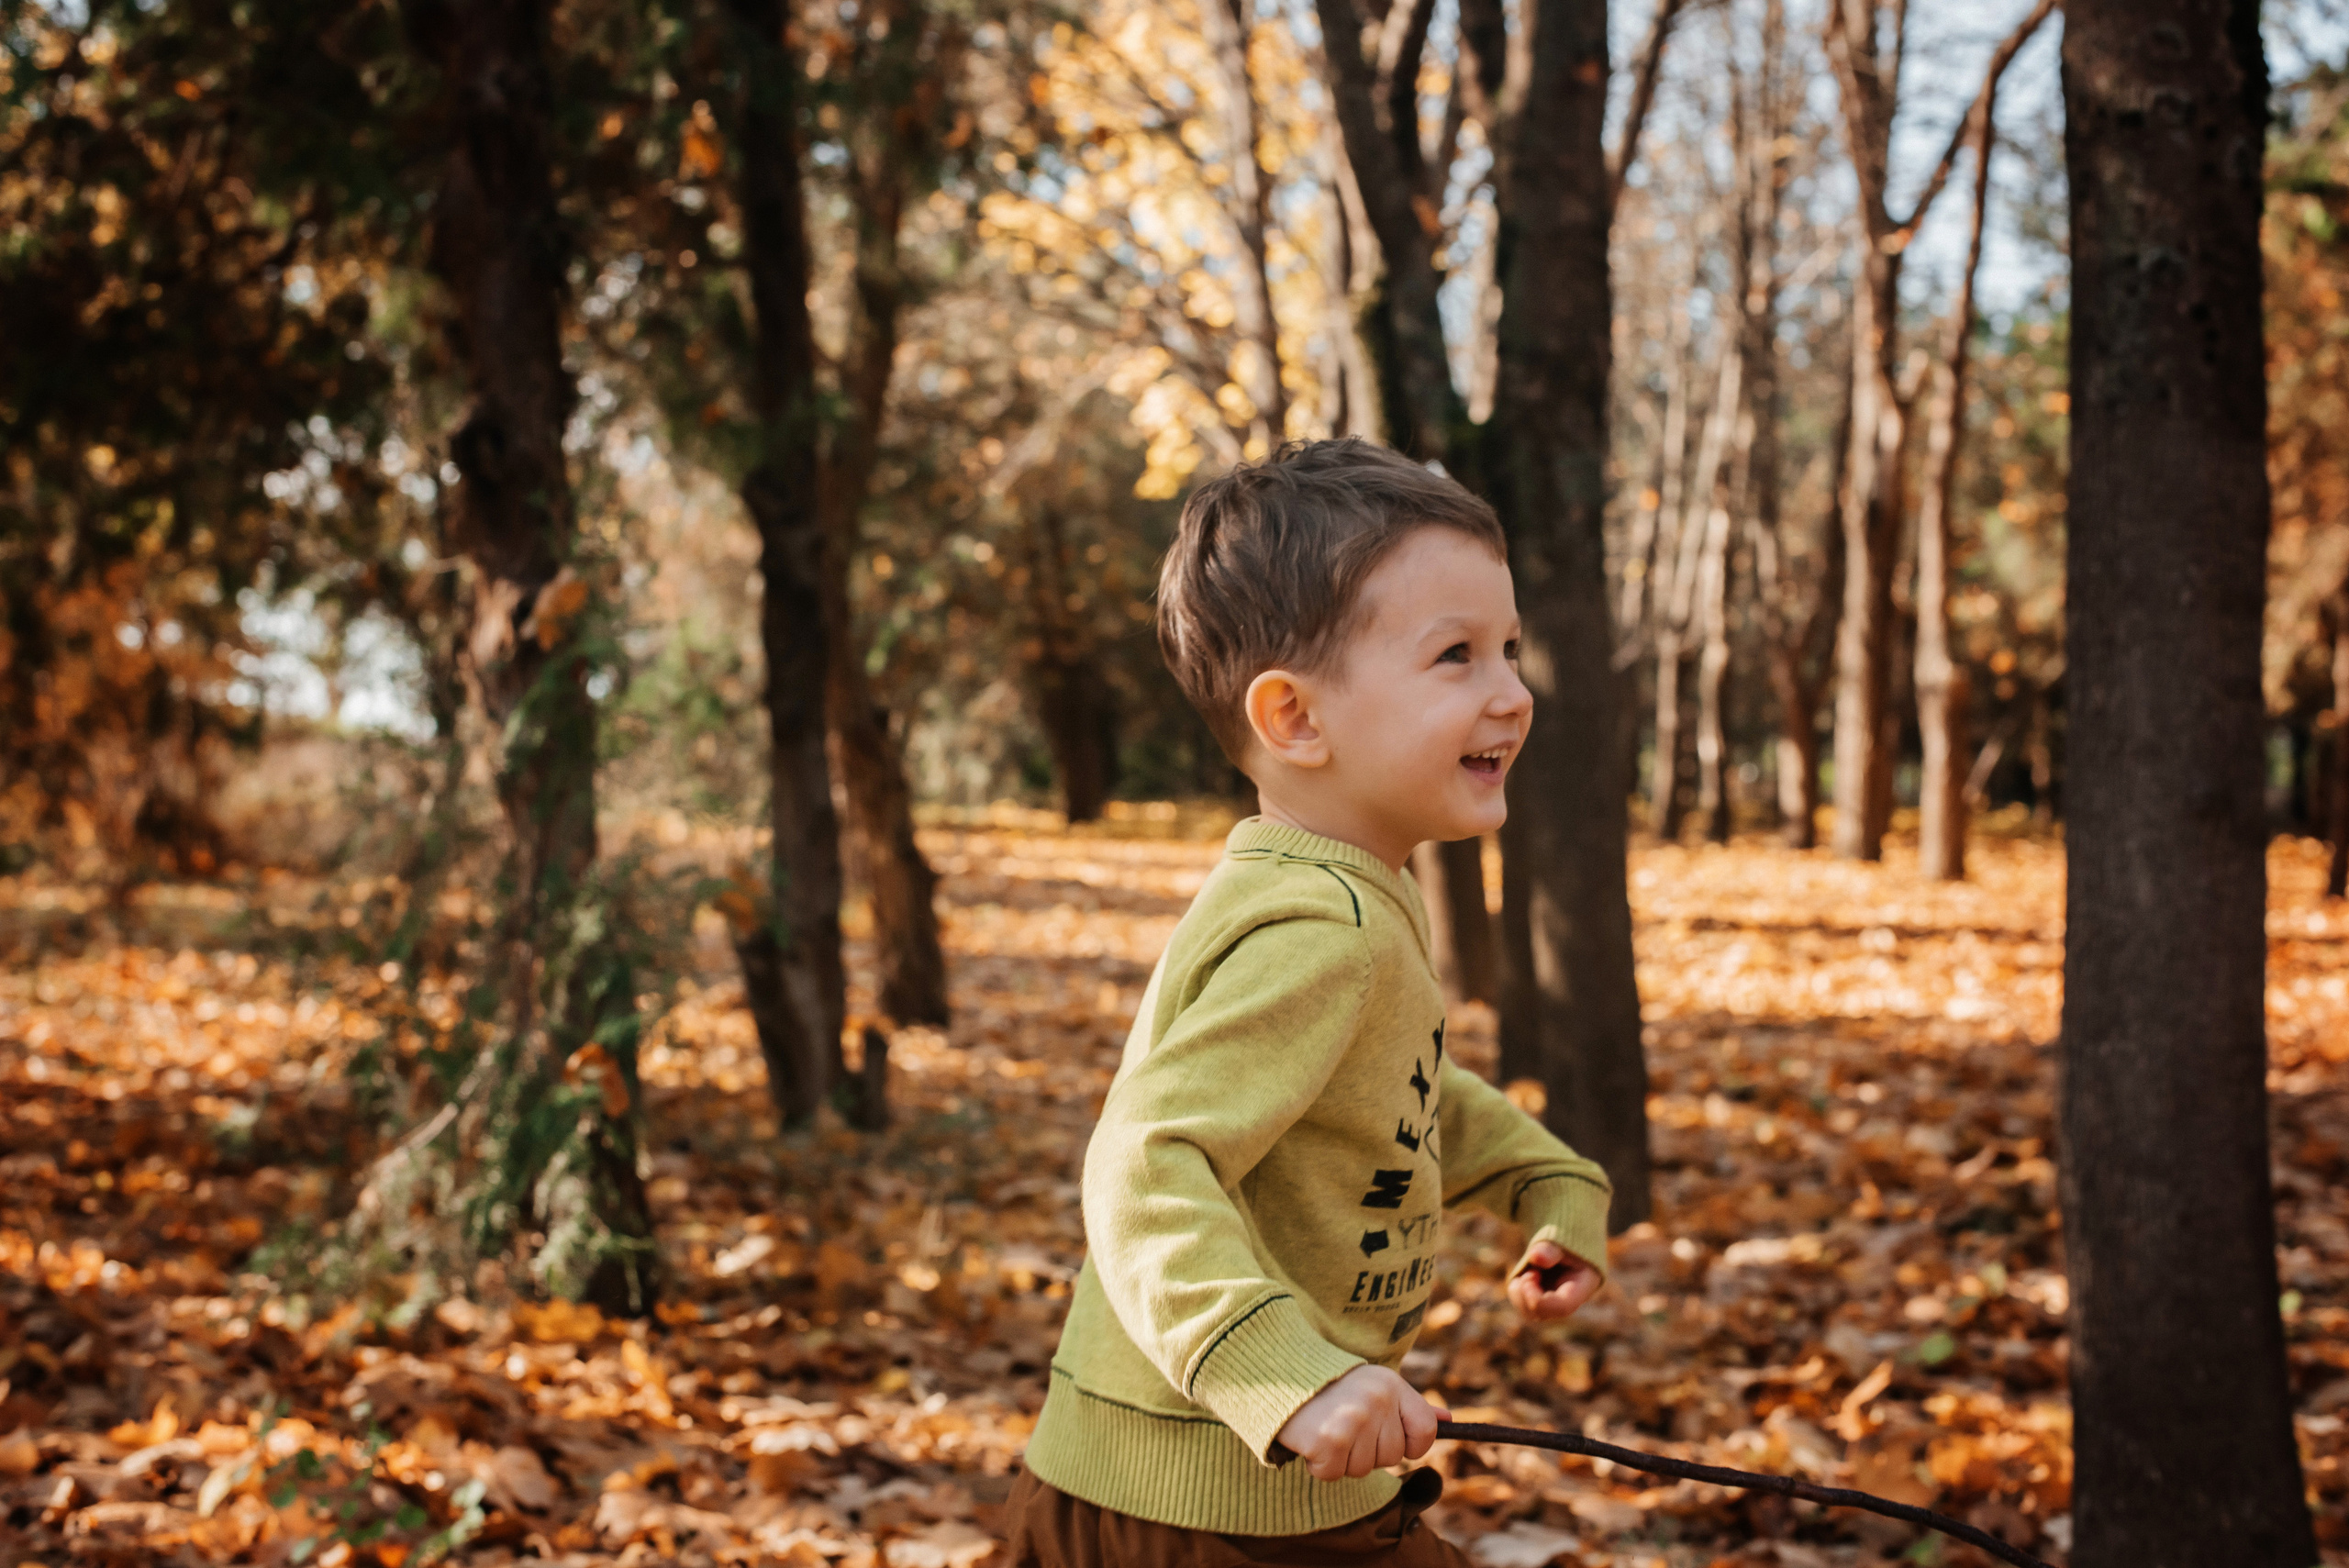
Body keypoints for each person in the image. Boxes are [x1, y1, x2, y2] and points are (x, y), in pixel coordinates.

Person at [1008, 439, 1616, 1568]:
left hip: (1223, 1479)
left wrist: (1546, 1178)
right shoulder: (1318, 927)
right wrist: (1286, 1375)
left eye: (1509, 648)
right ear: (1294, 717)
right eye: (1455, 655)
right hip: (1202, 1503)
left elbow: (1391, 1084)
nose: (1511, 692)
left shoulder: (1338, 889)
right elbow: (1142, 1159)